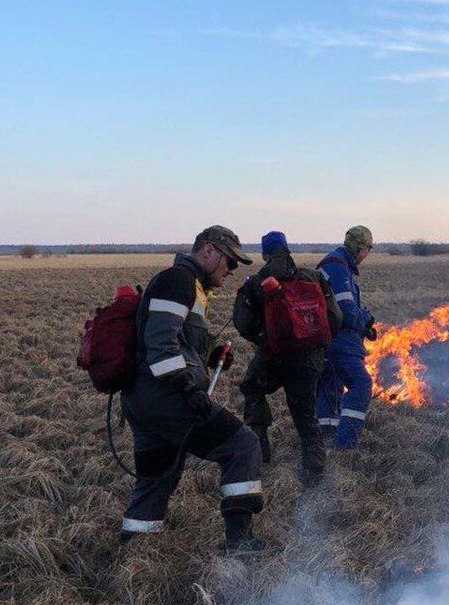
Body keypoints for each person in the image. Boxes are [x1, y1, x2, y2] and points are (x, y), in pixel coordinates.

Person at [119, 225, 268, 554]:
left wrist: (209, 357)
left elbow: (176, 342)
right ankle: (241, 546)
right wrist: (189, 389)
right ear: (210, 251)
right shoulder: (178, 281)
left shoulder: (191, 286)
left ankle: (133, 554)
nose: (231, 271)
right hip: (166, 398)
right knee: (242, 445)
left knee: (157, 477)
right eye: (230, 262)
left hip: (146, 399)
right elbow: (160, 345)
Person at [232, 231, 342, 484]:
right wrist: (318, 345)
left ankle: (260, 453)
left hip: (273, 357)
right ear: (288, 248)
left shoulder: (256, 283)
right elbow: (335, 317)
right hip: (309, 359)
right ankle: (314, 477)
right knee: (306, 419)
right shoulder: (313, 277)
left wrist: (265, 339)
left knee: (252, 388)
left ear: (264, 253)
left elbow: (242, 323)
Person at [316, 225, 377, 449]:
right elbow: (346, 312)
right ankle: (345, 447)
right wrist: (366, 319)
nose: (366, 255)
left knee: (331, 387)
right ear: (359, 248)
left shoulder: (334, 264)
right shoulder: (338, 267)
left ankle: (326, 439)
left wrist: (364, 328)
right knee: (361, 383)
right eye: (367, 249)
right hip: (339, 343)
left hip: (326, 341)